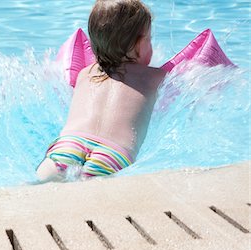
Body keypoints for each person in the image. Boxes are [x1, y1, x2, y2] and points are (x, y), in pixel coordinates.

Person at [36, 0, 167, 182]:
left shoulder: (84, 73)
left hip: (68, 145)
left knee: (40, 184)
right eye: (149, 39)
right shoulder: (156, 78)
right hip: (112, 155)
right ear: (138, 44)